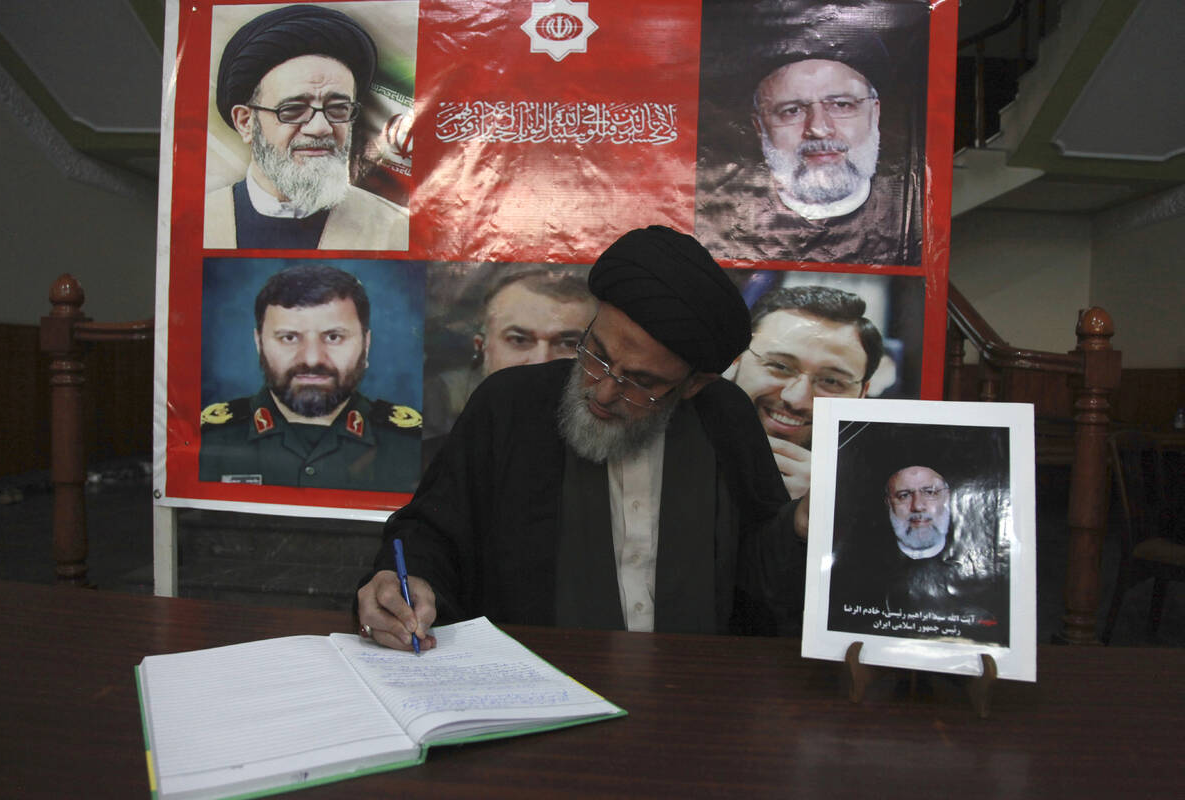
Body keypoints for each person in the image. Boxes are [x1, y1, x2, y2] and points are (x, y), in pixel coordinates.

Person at [357, 226, 807, 651]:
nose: (604, 390)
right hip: (535, 681)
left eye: (642, 381)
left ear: (693, 385)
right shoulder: (509, 404)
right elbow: (431, 535)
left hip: (688, 688)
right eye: (598, 354)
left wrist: (800, 526)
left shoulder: (723, 416)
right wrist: (406, 581)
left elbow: (758, 573)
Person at [199, 264, 421, 490]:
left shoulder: (413, 446)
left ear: (367, 344)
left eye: (334, 337)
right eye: (289, 338)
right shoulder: (207, 441)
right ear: (259, 343)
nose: (313, 359)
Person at [204, 5, 407, 251]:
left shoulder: (396, 229)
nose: (321, 128)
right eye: (292, 110)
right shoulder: (197, 225)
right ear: (246, 122)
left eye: (338, 109)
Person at [696, 48, 921, 266]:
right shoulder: (717, 220)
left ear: (874, 114)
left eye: (841, 105)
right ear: (759, 126)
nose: (819, 128)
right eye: (792, 110)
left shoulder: (913, 220)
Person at [726, 285, 882, 499]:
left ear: (863, 393)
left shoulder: (875, 489)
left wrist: (827, 510)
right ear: (737, 357)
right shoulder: (673, 445)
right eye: (780, 366)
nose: (796, 399)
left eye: (830, 381)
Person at [828, 464, 1009, 644]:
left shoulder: (988, 572)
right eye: (904, 495)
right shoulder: (854, 574)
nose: (918, 506)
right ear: (889, 503)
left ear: (947, 497)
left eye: (929, 492)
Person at [423, 269, 597, 440]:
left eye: (568, 343)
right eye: (519, 340)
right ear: (482, 347)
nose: (541, 361)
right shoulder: (434, 443)